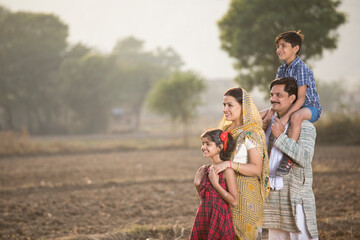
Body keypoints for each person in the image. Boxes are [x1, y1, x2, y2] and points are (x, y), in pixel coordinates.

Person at [262, 77, 318, 240]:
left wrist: (281, 138)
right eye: (272, 94)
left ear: (292, 98)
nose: (273, 98)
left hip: (296, 202)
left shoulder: (305, 126)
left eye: (278, 95)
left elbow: (305, 158)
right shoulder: (270, 124)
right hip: (273, 203)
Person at [261, 30, 322, 176]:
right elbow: (276, 95)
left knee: (295, 118)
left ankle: (288, 159)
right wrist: (269, 115)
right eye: (278, 47)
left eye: (283, 46)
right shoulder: (281, 69)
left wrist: (284, 118)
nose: (279, 50)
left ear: (295, 48)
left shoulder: (302, 69)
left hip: (309, 106)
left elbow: (300, 99)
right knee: (259, 114)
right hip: (291, 105)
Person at [212, 88, 270, 240]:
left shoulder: (251, 133)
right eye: (223, 105)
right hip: (225, 194)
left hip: (246, 198)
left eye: (230, 105)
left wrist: (229, 165)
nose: (225, 109)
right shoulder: (225, 130)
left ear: (243, 106)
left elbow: (257, 169)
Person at [190, 129, 238, 240]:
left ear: (219, 147)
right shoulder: (206, 169)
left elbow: (234, 202)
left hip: (219, 216)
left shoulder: (227, 171)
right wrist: (197, 183)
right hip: (205, 214)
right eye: (203, 143)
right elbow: (205, 198)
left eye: (208, 144)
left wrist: (216, 184)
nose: (203, 147)